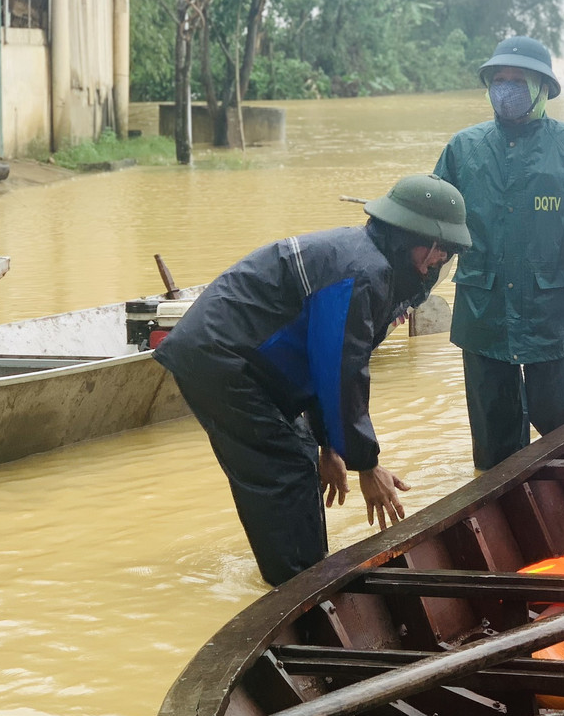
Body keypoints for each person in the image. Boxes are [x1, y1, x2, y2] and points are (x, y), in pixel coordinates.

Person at [154, 174, 472, 585]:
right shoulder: (363, 272)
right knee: (284, 467)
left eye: (447, 253)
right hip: (222, 359)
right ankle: (296, 590)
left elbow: (323, 364)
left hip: (250, 362)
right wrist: (366, 463)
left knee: (299, 453)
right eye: (437, 249)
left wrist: (329, 445)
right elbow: (343, 369)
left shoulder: (368, 262)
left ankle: (303, 576)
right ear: (408, 236)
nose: (439, 260)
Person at [433, 36, 564, 472]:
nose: (506, 89)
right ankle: (500, 513)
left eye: (517, 80)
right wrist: (403, 294)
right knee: (494, 440)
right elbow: (433, 233)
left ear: (542, 87)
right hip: (484, 311)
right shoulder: (464, 149)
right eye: (498, 80)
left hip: (551, 310)